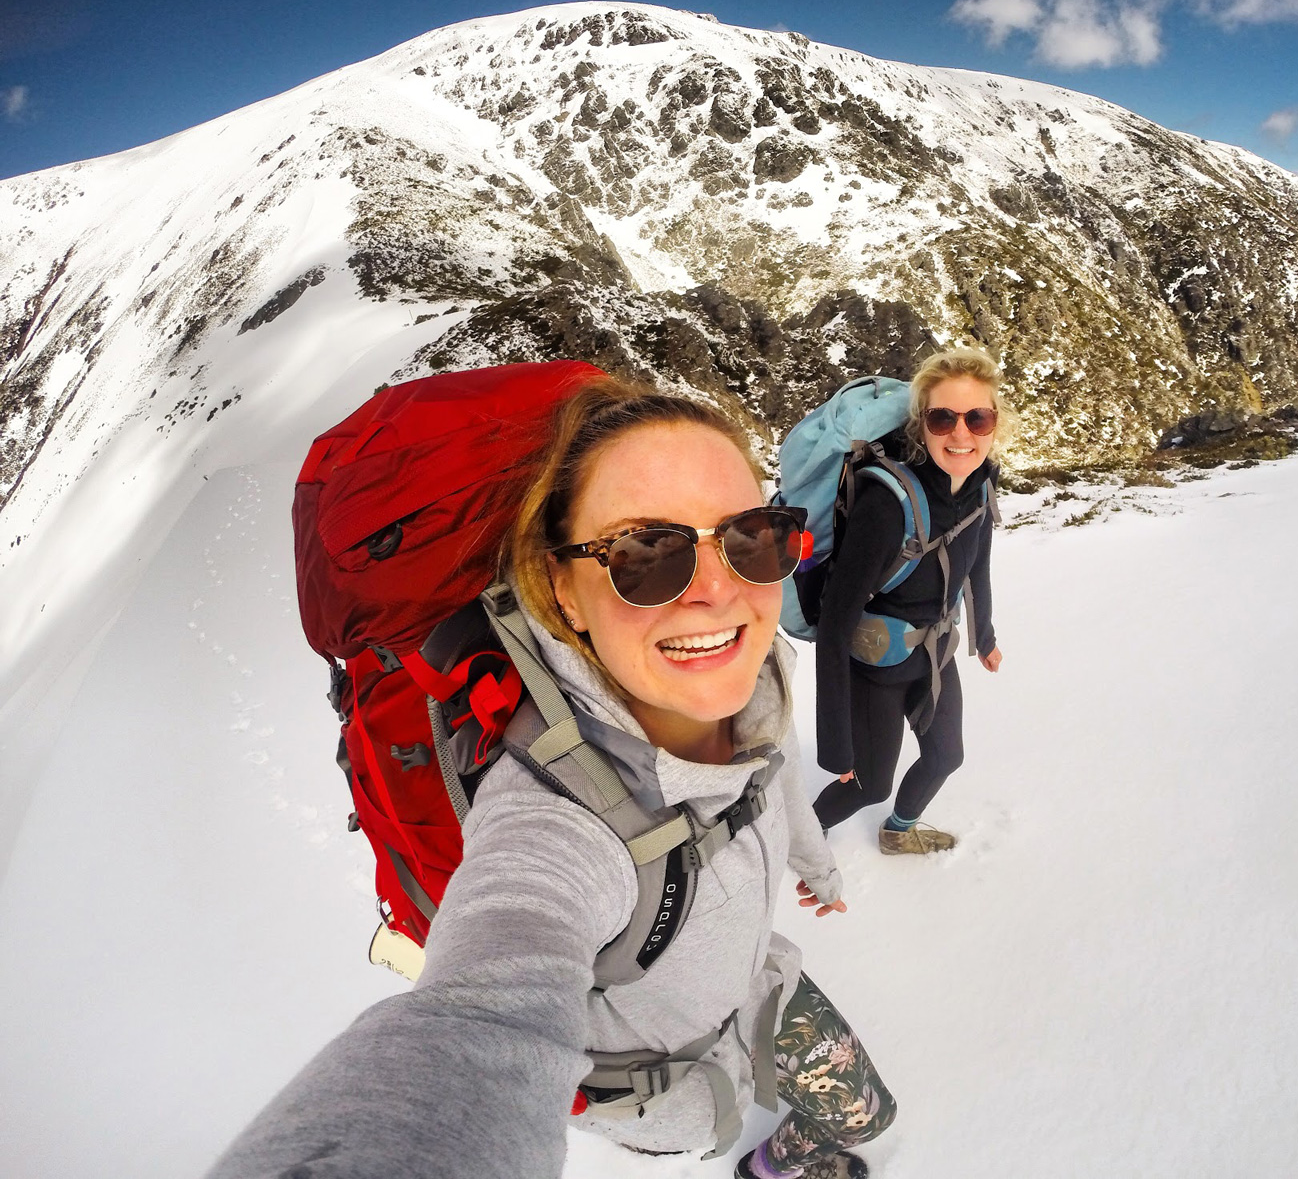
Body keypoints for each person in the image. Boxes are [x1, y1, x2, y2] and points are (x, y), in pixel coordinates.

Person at [209, 380, 895, 1179]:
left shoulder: (753, 672)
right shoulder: (556, 821)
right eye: (648, 553)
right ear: (562, 589)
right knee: (736, 1134)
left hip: (763, 989)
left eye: (753, 538)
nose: (720, 589)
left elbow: (766, 770)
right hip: (669, 1092)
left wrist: (815, 862)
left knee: (872, 1113)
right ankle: (770, 1164)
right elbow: (479, 1016)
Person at [811, 348, 1006, 854]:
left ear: (994, 423)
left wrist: (984, 635)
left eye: (977, 418)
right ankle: (800, 835)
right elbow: (834, 620)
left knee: (945, 756)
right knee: (867, 784)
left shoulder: (982, 485)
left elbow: (977, 562)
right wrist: (836, 746)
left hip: (935, 651)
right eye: (943, 418)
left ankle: (898, 833)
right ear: (922, 424)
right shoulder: (886, 505)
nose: (961, 435)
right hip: (875, 666)